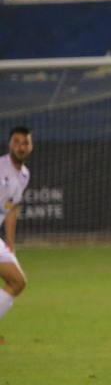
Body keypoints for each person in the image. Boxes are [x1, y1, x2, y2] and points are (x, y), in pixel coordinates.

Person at [0, 127, 33, 345]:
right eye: (17, 142)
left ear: (31, 147)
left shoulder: (24, 175)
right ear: (9, 144)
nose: (21, 147)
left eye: (25, 143)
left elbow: (12, 210)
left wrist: (10, 243)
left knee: (18, 282)